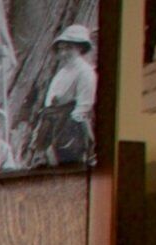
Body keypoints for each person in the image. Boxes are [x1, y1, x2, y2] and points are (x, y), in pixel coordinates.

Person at [29, 17, 97, 168]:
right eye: (61, 49)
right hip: (51, 123)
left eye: (69, 48)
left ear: (80, 48)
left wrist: (67, 134)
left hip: (70, 127)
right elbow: (50, 102)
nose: (64, 53)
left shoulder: (85, 72)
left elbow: (84, 106)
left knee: (66, 163)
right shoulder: (62, 72)